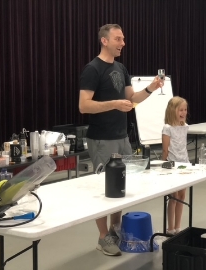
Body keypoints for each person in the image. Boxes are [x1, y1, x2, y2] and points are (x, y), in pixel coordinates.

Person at [79, 24, 163, 256]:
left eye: (123, 39)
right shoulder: (92, 69)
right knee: (102, 187)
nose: (123, 43)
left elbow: (131, 99)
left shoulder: (121, 68)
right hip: (101, 139)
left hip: (121, 137)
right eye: (118, 39)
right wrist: (114, 105)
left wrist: (151, 88)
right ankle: (103, 237)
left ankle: (115, 231)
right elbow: (84, 105)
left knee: (119, 186)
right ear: (104, 41)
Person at [162, 96, 189, 235]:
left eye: (185, 110)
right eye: (180, 110)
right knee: (173, 197)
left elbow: (183, 146)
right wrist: (163, 165)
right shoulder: (167, 128)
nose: (183, 113)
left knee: (182, 196)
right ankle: (170, 228)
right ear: (173, 111)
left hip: (184, 164)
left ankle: (178, 227)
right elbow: (165, 150)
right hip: (173, 165)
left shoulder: (185, 126)